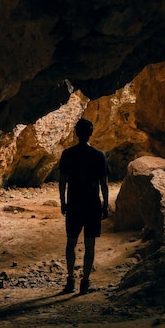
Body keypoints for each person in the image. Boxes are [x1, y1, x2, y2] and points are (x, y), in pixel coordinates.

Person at [58, 118, 109, 294]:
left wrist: (63, 201)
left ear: (76, 133)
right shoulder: (99, 155)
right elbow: (104, 184)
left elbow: (62, 181)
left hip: (74, 203)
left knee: (71, 242)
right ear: (91, 133)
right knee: (90, 244)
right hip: (92, 203)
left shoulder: (68, 154)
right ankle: (85, 282)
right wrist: (106, 205)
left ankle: (70, 279)